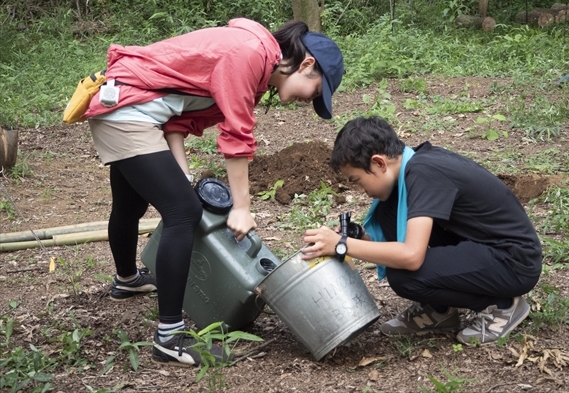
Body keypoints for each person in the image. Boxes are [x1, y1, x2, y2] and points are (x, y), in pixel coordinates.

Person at [82, 18, 344, 367]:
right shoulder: (251, 55)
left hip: (131, 104)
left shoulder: (256, 63)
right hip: (130, 109)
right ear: (306, 64)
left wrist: (184, 176)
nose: (307, 100)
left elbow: (178, 122)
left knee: (133, 202)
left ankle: (127, 279)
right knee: (183, 213)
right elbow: (236, 138)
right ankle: (169, 338)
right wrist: (241, 206)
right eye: (314, 92)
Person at [302, 116, 541, 345]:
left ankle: (502, 304)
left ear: (378, 163)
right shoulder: (410, 169)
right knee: (389, 211)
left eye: (357, 180)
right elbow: (398, 237)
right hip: (481, 246)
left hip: (513, 260)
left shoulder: (424, 171)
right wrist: (359, 237)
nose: (360, 190)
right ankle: (440, 310)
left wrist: (342, 245)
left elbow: (411, 256)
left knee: (405, 274)